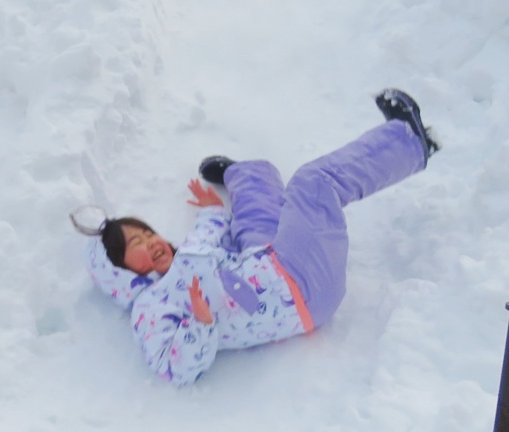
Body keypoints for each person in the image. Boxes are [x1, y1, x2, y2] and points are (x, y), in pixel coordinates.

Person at [72, 88, 440, 386]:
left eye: (147, 233)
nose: (149, 241)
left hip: (266, 263)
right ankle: (410, 140)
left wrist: (213, 210)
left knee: (252, 212)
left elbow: (212, 239)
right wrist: (199, 324)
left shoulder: (189, 257)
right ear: (121, 271)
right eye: (135, 244)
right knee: (312, 184)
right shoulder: (150, 308)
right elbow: (173, 367)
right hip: (298, 286)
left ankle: (242, 174)